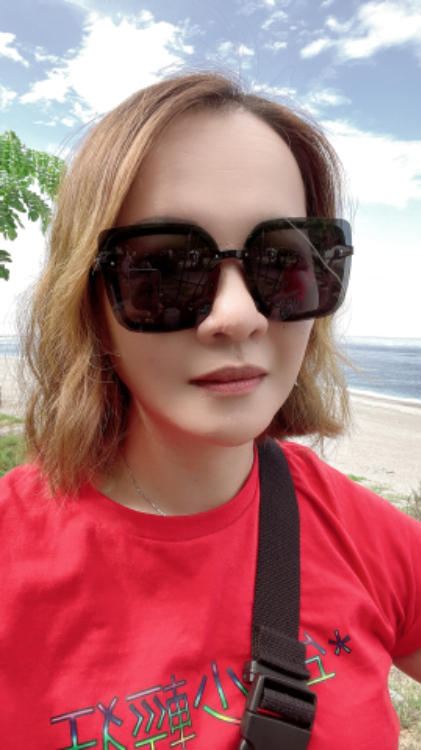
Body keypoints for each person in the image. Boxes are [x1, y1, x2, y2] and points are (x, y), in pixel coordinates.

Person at [0, 71, 420, 750]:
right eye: (166, 269)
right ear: (90, 303)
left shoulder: (368, 537)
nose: (237, 315)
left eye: (283, 261)